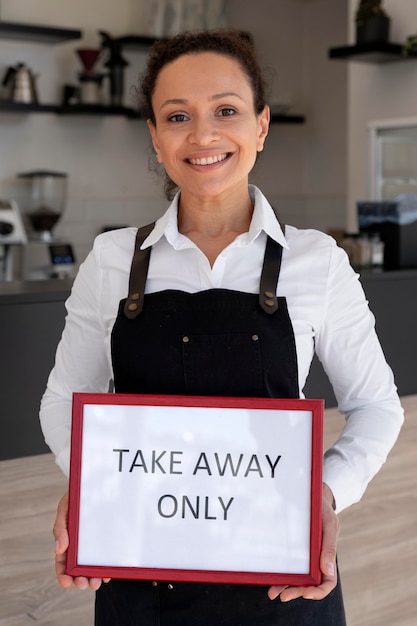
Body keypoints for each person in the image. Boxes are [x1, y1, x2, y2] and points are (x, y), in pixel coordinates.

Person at [40, 30, 404, 626]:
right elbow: (61, 398)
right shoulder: (111, 262)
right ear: (155, 139)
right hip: (140, 581)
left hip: (282, 587)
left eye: (226, 111)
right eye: (177, 116)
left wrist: (326, 492)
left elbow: (378, 406)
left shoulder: (318, 262)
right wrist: (92, 485)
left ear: (261, 125)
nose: (203, 135)